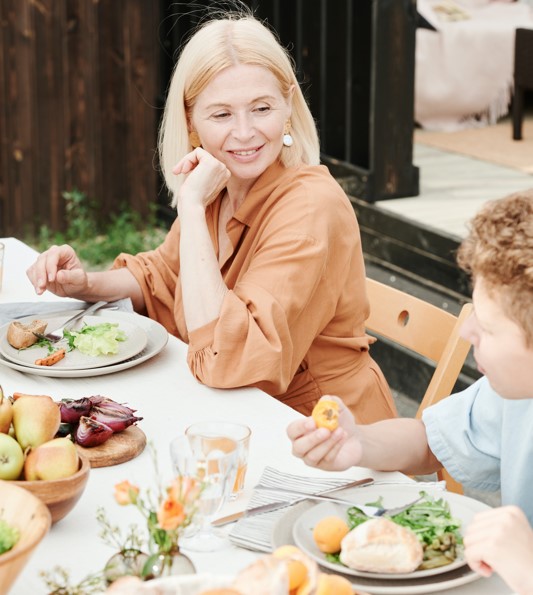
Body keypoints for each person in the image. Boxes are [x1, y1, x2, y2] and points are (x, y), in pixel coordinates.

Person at [25, 5, 396, 424]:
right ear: (191, 121)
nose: (244, 132)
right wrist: (84, 283)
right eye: (221, 114)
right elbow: (163, 277)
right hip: (239, 415)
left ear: (288, 103)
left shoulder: (310, 205)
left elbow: (228, 359)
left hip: (326, 433)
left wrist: (191, 206)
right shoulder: (221, 182)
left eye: (261, 108)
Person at [287, 191, 533, 594]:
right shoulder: (514, 392)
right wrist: (359, 441)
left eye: (487, 327)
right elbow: (433, 443)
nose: (467, 332)